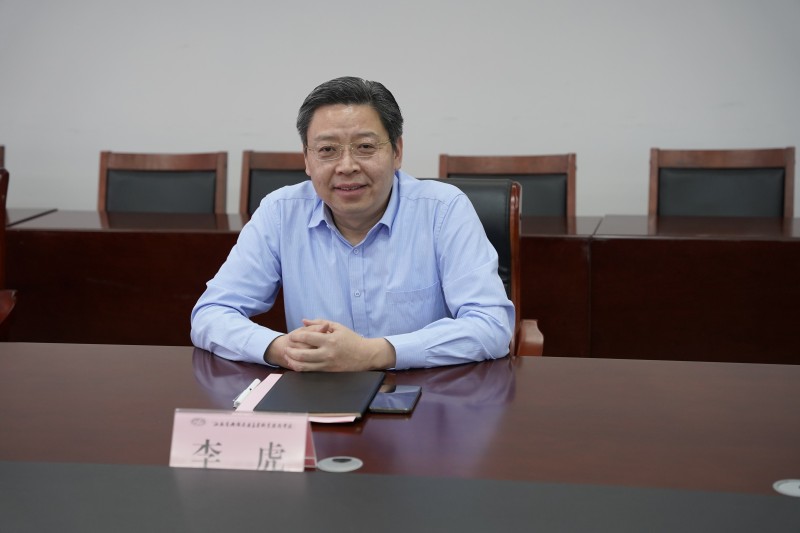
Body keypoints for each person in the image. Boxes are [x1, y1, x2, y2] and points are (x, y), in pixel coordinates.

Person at [190, 76, 513, 371]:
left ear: (397, 152)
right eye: (327, 150)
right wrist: (280, 349)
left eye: (365, 147)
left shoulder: (443, 210)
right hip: (318, 397)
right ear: (307, 159)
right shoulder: (280, 213)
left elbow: (492, 326)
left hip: (426, 396)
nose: (346, 166)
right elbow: (210, 314)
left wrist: (373, 353)